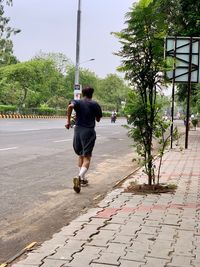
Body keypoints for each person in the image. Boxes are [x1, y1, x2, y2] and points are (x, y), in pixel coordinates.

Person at [65, 86, 102, 193]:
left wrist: (68, 121)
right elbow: (98, 119)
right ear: (92, 94)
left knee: (81, 154)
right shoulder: (95, 104)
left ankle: (83, 179)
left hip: (77, 130)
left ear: (82, 93)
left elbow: (70, 106)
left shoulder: (77, 102)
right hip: (88, 132)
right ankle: (79, 177)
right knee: (87, 157)